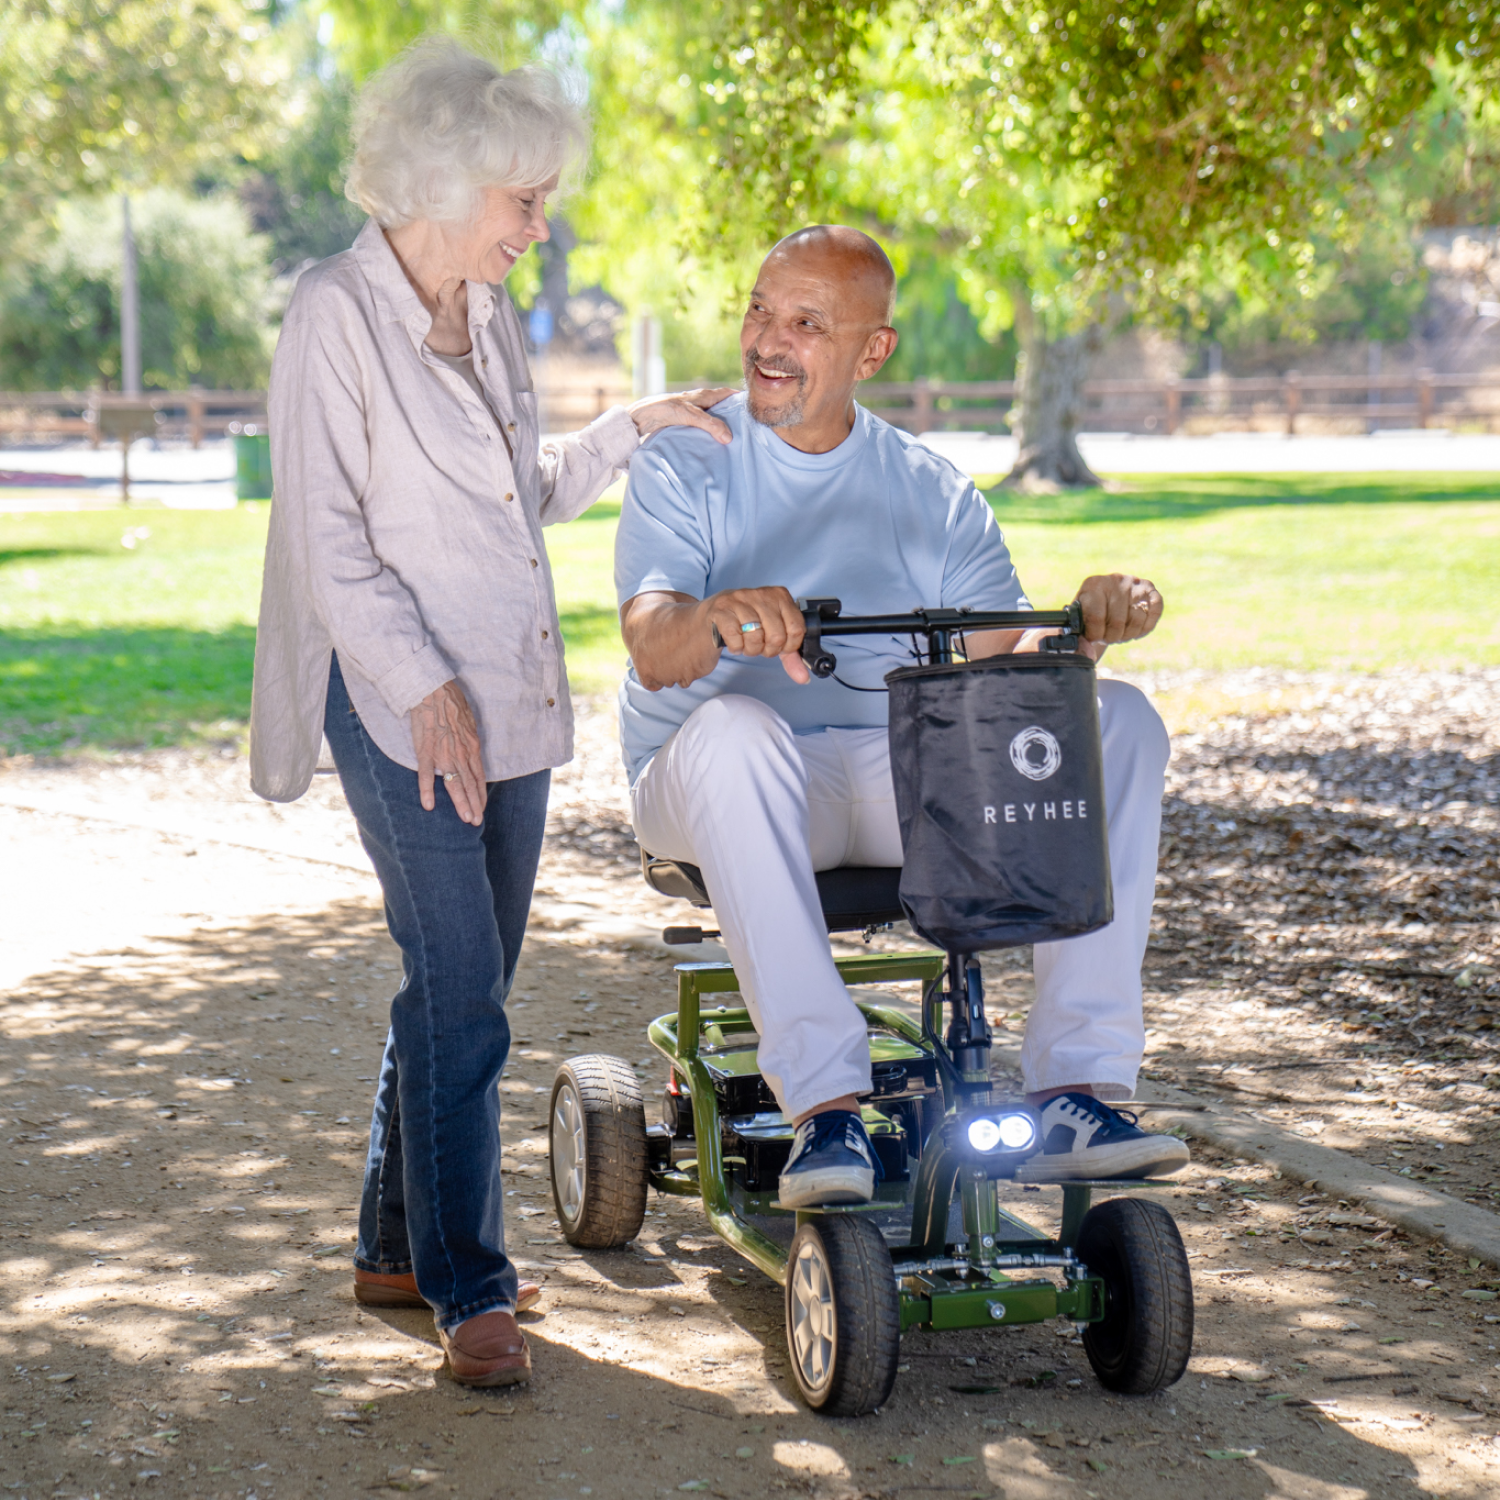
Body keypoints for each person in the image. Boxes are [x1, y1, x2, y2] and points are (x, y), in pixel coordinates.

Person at [249, 39, 731, 1385]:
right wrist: (423, 687)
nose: (540, 224)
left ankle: (392, 1245)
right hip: (401, 705)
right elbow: (331, 541)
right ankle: (470, 1288)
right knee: (464, 992)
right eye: (525, 199)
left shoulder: (489, 315)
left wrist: (635, 426)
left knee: (458, 990)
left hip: (505, 701)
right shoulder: (333, 315)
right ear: (446, 181)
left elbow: (518, 492)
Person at [614, 225, 1189, 1210]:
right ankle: (825, 1101)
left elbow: (992, 675)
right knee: (737, 734)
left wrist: (1082, 634)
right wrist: (714, 618)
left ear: (871, 352)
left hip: (894, 769)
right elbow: (651, 644)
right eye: (760, 310)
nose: (767, 340)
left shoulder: (930, 487)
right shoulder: (685, 460)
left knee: (1119, 722)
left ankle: (1077, 1089)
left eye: (805, 322)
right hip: (720, 775)